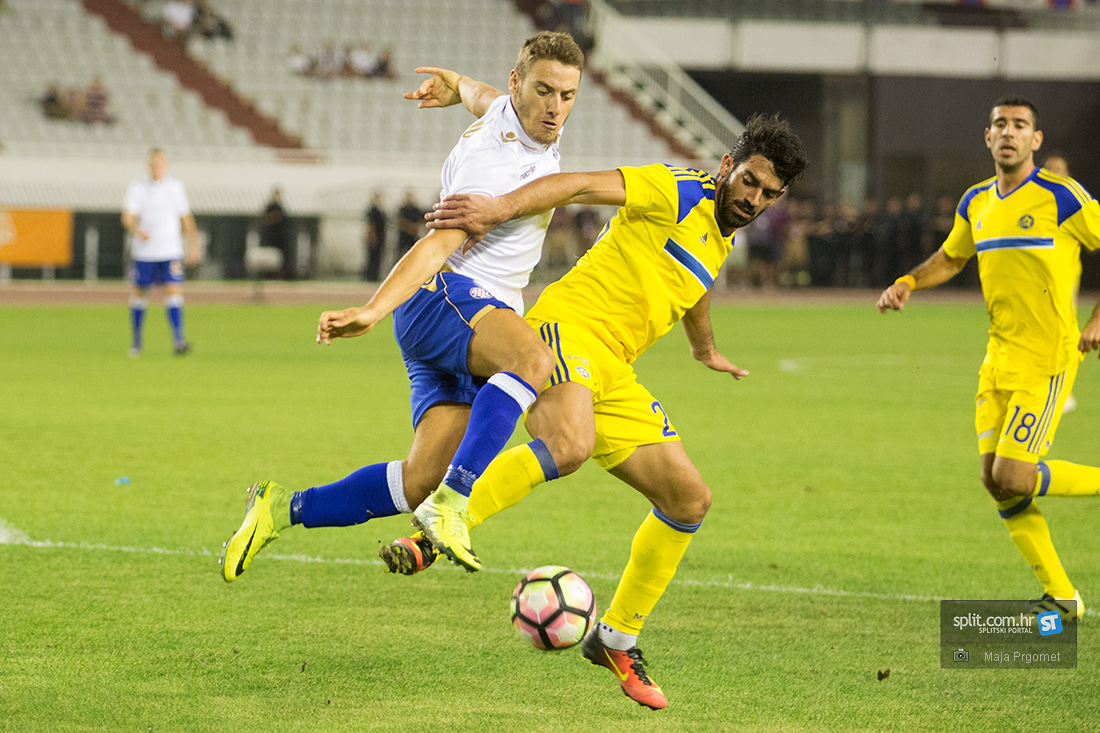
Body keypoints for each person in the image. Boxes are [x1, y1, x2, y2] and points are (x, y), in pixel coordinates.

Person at [386, 113, 808, 709]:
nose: (754, 199)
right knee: (569, 446)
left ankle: (615, 639)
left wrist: (704, 348)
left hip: (615, 369)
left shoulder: (722, 233)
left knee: (689, 499)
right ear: (726, 166)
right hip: (566, 331)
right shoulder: (676, 189)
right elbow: (580, 184)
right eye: (749, 182)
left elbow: (694, 283)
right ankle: (436, 529)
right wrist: (498, 209)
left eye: (768, 193)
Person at [220, 32, 586, 579]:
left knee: (419, 479)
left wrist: (456, 84)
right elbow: (436, 245)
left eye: (567, 95)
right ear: (519, 84)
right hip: (446, 299)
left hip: (464, 323)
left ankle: (279, 508)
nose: (556, 107)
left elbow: (482, 96)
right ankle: (452, 504)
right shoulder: (493, 165)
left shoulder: (513, 114)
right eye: (544, 91)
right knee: (532, 360)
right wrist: (373, 309)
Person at [876, 97, 1100, 621]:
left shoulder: (1063, 196)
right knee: (994, 479)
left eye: (1020, 125)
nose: (1009, 132)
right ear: (987, 136)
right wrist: (908, 281)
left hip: (1048, 358)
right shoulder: (975, 202)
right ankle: (1062, 597)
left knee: (1015, 475)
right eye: (1001, 124)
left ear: (1035, 140)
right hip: (998, 358)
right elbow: (952, 256)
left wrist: (1097, 318)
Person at [121, 148, 199, 357]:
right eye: (153, 163)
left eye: (160, 163)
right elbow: (127, 217)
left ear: (166, 165)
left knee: (173, 291)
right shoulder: (138, 188)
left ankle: (178, 339)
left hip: (170, 250)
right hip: (144, 252)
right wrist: (137, 230)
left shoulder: (175, 187)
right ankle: (137, 342)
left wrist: (193, 244)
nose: (157, 167)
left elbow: (186, 217)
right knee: (140, 293)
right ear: (148, 165)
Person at [259, 186, 291, 279]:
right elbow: (265, 219)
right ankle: (268, 275)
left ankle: (281, 275)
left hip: (280, 238)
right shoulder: (269, 207)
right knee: (269, 257)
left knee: (282, 257)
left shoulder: (281, 207)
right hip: (270, 238)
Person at [363, 191, 386, 282]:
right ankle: (368, 277)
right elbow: (369, 225)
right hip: (373, 237)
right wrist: (371, 237)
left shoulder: (381, 211)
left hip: (380, 238)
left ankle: (375, 277)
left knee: (377, 259)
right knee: (370, 258)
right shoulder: (371, 211)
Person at [396, 191, 424, 258]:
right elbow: (401, 222)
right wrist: (411, 228)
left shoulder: (416, 210)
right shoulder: (402, 209)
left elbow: (420, 221)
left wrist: (415, 228)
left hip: (413, 237)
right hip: (404, 237)